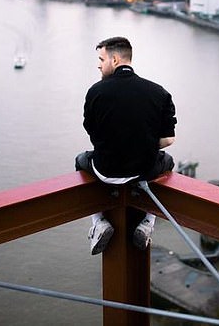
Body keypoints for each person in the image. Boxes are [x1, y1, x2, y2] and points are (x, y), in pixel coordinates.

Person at [76, 36, 177, 254]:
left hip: (105, 170)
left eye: (101, 59)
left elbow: (93, 133)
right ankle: (148, 222)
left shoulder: (96, 92)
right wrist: (144, 142)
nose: (98, 64)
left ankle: (99, 222)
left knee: (80, 160)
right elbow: (168, 139)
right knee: (167, 163)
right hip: (143, 170)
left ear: (114, 60)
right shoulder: (159, 92)